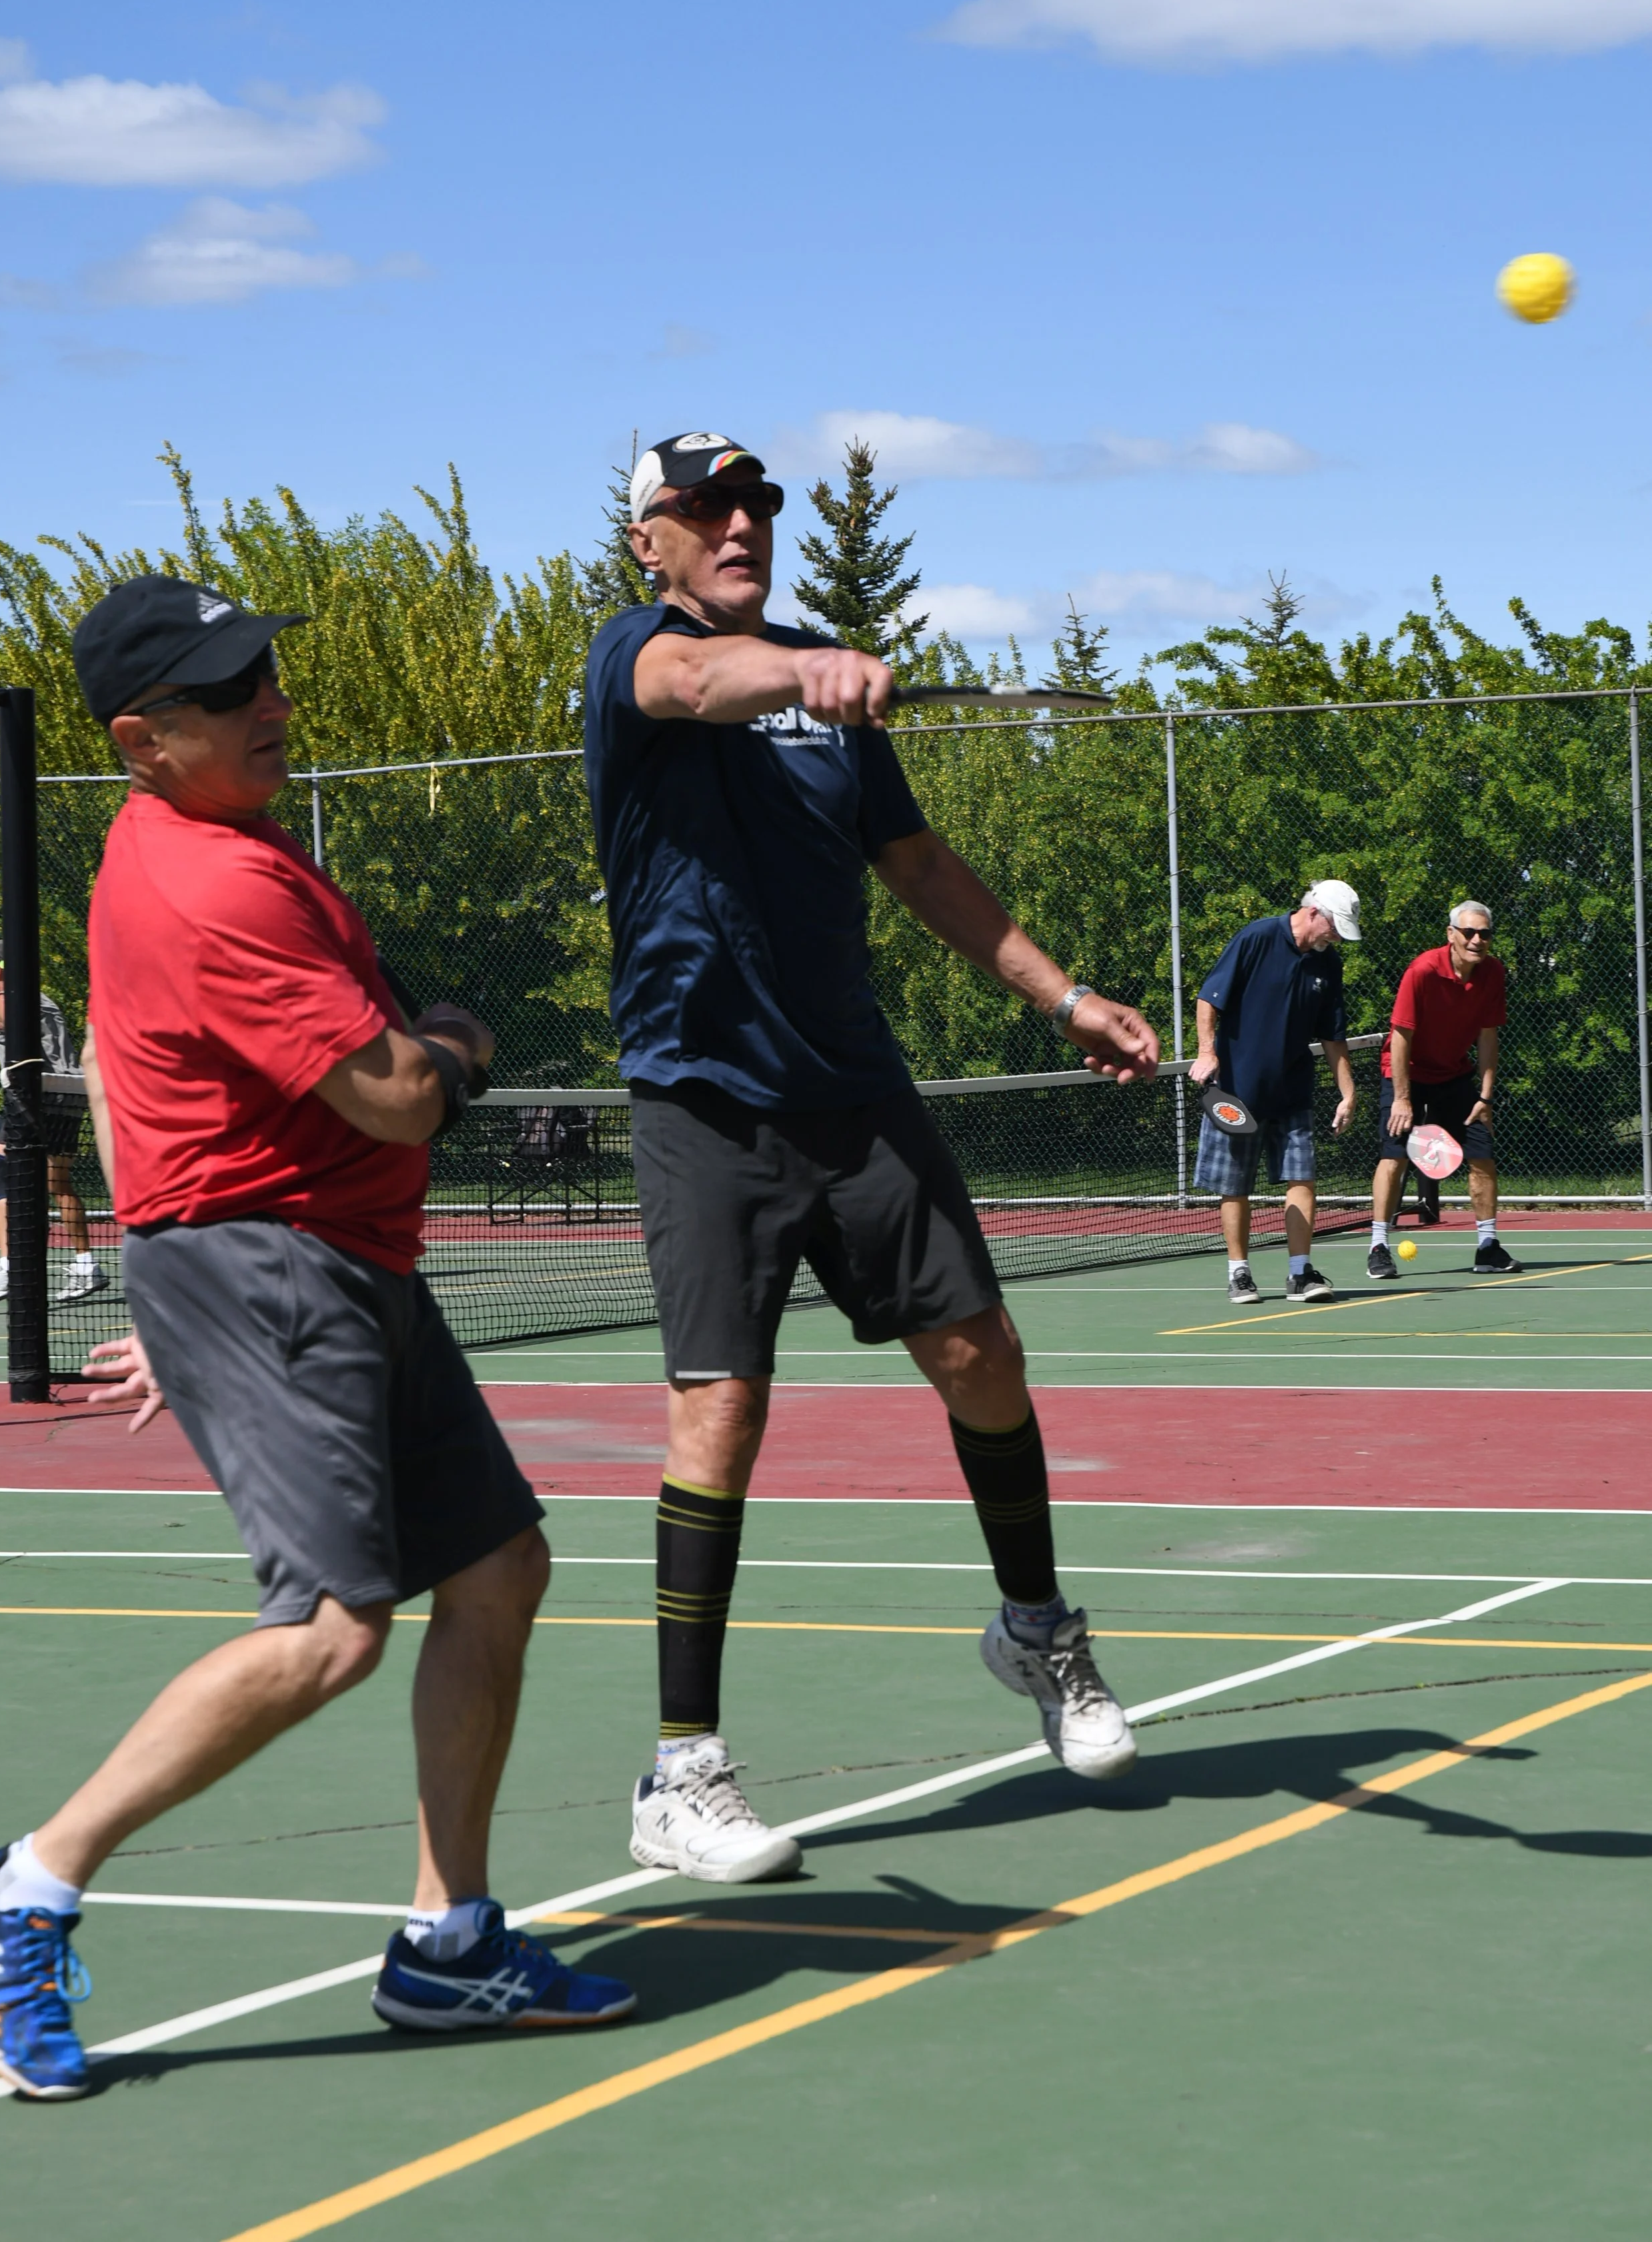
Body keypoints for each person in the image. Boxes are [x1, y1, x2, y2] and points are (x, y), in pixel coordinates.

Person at [0, 574, 634, 2103]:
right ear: (143, 738)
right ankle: (30, 1882)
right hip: (280, 1268)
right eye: (232, 690)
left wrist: (179, 1285)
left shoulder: (219, 844)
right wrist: (465, 1046)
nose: (273, 699)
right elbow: (404, 1088)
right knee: (335, 1623)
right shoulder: (216, 883)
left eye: (268, 669)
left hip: (315, 1265)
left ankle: (448, 1937)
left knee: (496, 1563)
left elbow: (192, 1080)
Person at [585, 430, 1160, 1888]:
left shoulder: (832, 695)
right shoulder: (633, 659)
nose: (736, 525)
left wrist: (1064, 994)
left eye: (753, 508)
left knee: (983, 1356)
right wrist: (799, 672)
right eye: (703, 509)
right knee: (716, 1409)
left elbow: (915, 866)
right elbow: (702, 683)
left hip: (852, 1092)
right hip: (701, 1102)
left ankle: (1038, 1636)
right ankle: (682, 1774)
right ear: (646, 537)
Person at [1189, 883, 1359, 1304]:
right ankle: (1239, 1274)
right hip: (1236, 1091)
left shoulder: (1328, 965)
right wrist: (1207, 1052)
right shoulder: (1257, 937)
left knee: (1303, 1178)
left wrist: (1348, 1093)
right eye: (1336, 928)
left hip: (1293, 1092)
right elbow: (1209, 1000)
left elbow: (1333, 1037)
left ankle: (1300, 1274)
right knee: (1236, 1186)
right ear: (1315, 913)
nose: (1336, 938)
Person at [1367, 899, 1516, 1278]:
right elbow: (1401, 1037)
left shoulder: (1493, 973)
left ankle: (1488, 1247)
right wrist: (1402, 1098)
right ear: (1451, 935)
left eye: (1484, 933)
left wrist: (1484, 1097)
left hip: (1454, 1075)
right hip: (1405, 1072)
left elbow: (1488, 1038)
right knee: (1394, 1155)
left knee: (1482, 1154)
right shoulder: (1422, 971)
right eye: (1469, 932)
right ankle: (1379, 1245)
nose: (1477, 940)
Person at [0, 940, 108, 1306]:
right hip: (70, 1094)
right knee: (58, 1181)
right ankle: (87, 1265)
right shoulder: (40, 997)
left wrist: (24, 1086)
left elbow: (24, 1044)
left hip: (38, 1097)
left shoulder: (4, 998)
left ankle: (11, 1265)